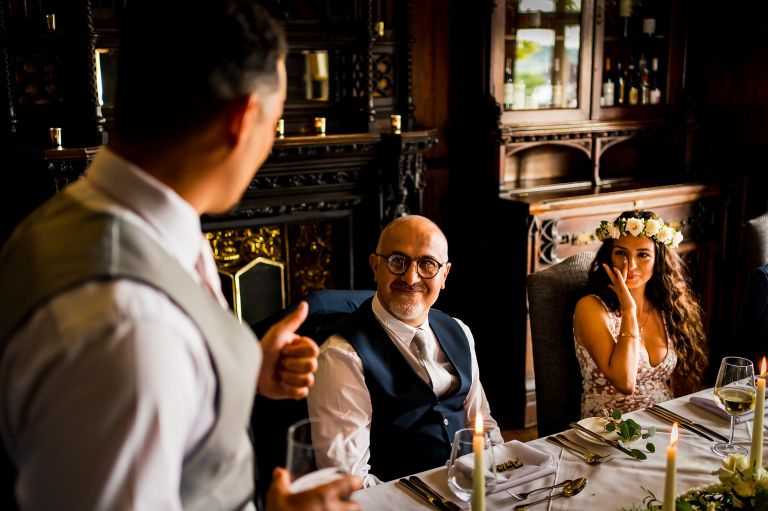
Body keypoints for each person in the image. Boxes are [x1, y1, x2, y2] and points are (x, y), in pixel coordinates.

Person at [0, 2, 361, 510]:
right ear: (241, 121)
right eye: (274, 125)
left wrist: (241, 372)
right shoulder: (131, 332)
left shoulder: (89, 219)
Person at [306, 215, 502, 487]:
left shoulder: (460, 331)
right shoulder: (341, 355)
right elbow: (349, 481)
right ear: (376, 266)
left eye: (427, 264)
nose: (411, 278)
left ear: (444, 275)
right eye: (397, 261)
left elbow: (482, 422)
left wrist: (497, 477)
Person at [573, 210, 708, 418]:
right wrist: (629, 310)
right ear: (609, 254)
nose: (631, 265)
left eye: (643, 255)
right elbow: (624, 382)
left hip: (663, 422)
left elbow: (683, 386)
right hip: (609, 430)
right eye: (621, 253)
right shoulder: (591, 307)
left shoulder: (667, 307)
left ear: (658, 260)